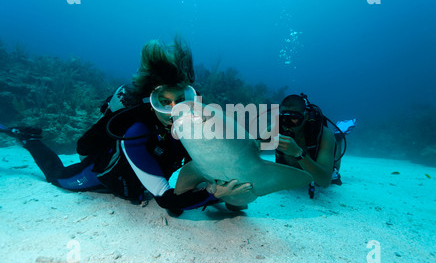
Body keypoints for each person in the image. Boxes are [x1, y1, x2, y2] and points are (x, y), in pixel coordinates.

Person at [1, 38, 251, 216]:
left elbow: (198, 170)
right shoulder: (136, 132)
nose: (175, 111)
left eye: (182, 101)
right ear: (151, 102)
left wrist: (226, 192)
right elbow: (165, 198)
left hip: (149, 183)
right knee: (57, 176)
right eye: (165, 102)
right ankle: (27, 138)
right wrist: (212, 194)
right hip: (102, 172)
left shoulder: (195, 127)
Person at [275, 93, 356, 195]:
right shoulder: (274, 129)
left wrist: (298, 153)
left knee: (333, 174)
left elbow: (324, 182)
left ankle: (338, 137)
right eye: (283, 118)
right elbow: (254, 147)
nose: (287, 123)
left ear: (305, 116)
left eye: (294, 118)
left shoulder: (323, 134)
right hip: (296, 172)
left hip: (318, 165)